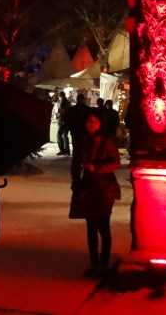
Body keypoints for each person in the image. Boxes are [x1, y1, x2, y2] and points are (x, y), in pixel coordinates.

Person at [69, 109, 121, 278]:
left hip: (105, 188)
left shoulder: (107, 141)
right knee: (91, 227)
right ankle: (94, 263)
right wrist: (76, 181)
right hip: (88, 187)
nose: (91, 124)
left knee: (103, 226)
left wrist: (97, 167)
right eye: (88, 121)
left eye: (94, 121)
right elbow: (76, 162)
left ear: (100, 123)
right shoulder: (82, 141)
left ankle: (104, 264)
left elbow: (115, 163)